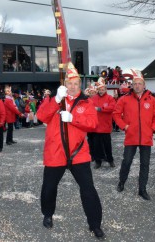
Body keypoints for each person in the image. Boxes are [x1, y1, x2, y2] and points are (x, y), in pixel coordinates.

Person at [37, 62, 105, 239]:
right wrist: (56, 100)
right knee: (49, 188)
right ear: (64, 84)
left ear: (79, 85)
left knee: (88, 189)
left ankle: (95, 224)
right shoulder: (55, 99)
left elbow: (92, 124)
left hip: (78, 153)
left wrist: (73, 118)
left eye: (76, 83)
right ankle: (48, 214)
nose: (73, 86)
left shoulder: (86, 102)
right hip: (55, 152)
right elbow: (41, 116)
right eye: (70, 83)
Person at [113, 70, 155, 200]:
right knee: (127, 161)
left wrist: (153, 128)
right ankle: (122, 182)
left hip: (146, 137)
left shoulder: (151, 100)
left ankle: (142, 189)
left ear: (144, 85)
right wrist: (124, 126)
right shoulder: (124, 99)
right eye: (135, 83)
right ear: (132, 85)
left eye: (140, 83)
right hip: (131, 137)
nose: (137, 86)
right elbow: (116, 114)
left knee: (145, 164)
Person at [91, 77, 116, 169]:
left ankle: (110, 160)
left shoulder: (110, 98)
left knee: (107, 146)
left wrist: (100, 109)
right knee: (97, 146)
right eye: (99, 89)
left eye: (102, 89)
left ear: (105, 89)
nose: (101, 91)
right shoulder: (93, 98)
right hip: (96, 127)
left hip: (106, 127)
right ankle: (98, 162)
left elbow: (112, 108)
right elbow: (89, 108)